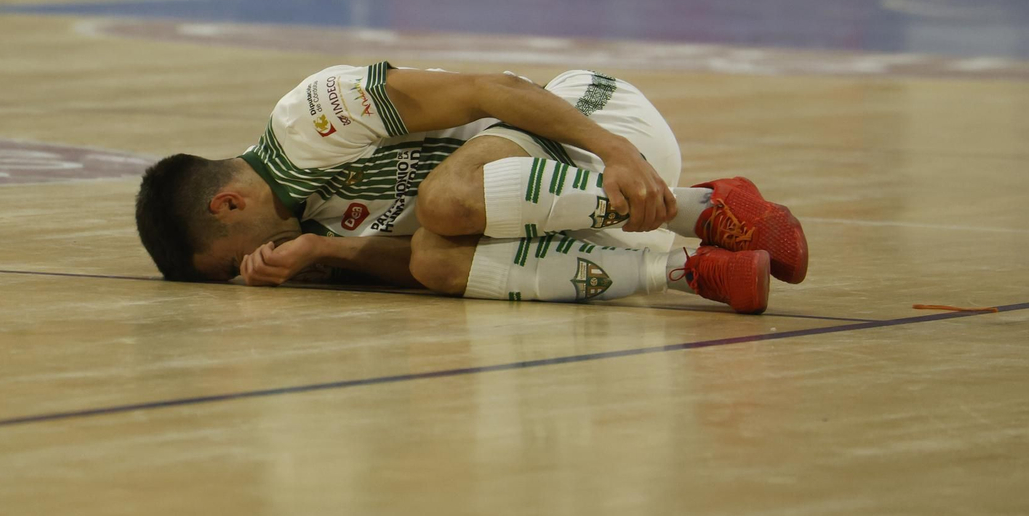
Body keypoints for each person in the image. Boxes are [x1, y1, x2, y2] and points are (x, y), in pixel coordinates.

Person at [135, 62, 808, 314]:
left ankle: (700, 206)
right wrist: (325, 255)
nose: (247, 273)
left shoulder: (313, 116)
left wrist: (615, 150)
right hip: (563, 217)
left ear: (228, 205)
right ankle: (696, 267)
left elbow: (493, 90)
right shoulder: (299, 244)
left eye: (230, 263)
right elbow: (440, 269)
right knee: (433, 254)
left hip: (598, 125)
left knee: (442, 200)